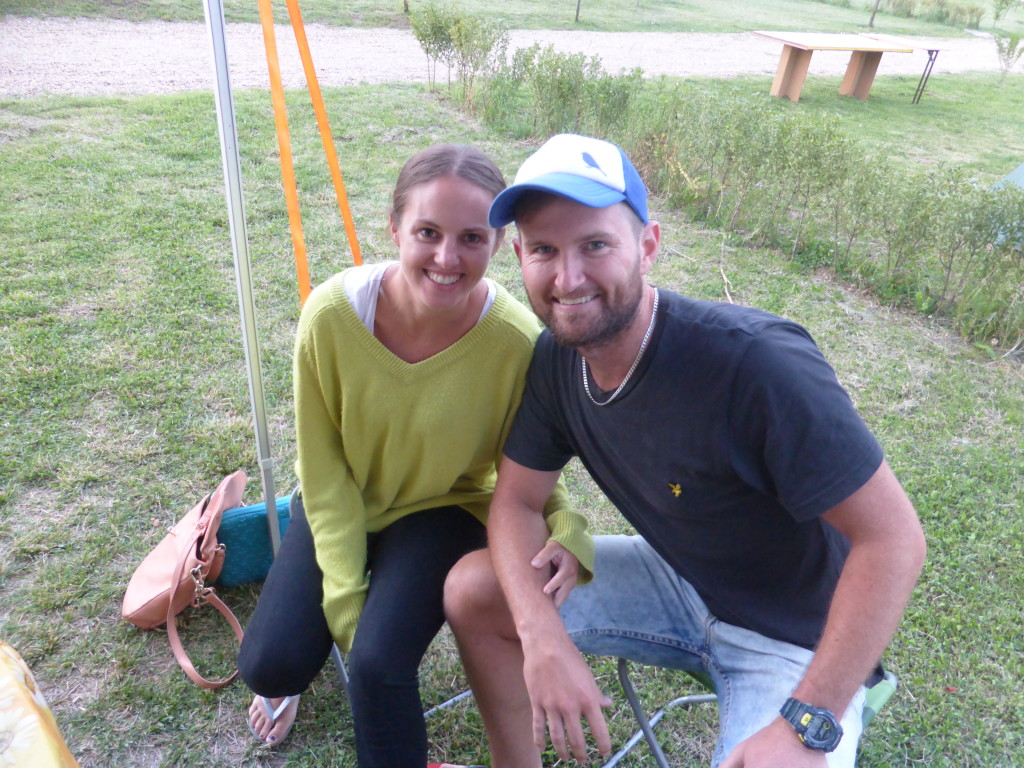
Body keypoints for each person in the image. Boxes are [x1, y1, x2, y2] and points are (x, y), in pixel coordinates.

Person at [444, 134, 927, 768]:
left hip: (796, 637)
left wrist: (807, 720)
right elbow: (515, 503)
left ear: (648, 245)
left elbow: (894, 540)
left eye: (595, 244)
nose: (567, 278)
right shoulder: (557, 358)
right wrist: (541, 636)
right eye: (544, 250)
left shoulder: (756, 363)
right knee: (475, 588)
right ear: (519, 255)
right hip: (679, 579)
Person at [237, 143, 592, 768]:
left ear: (500, 244)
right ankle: (295, 677)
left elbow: (528, 470)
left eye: (471, 238)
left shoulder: (517, 341)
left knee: (377, 664)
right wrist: (346, 600)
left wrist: (569, 529)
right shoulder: (329, 317)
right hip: (343, 499)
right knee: (269, 662)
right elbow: (322, 472)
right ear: (394, 228)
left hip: (443, 510)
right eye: (427, 232)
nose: (447, 258)